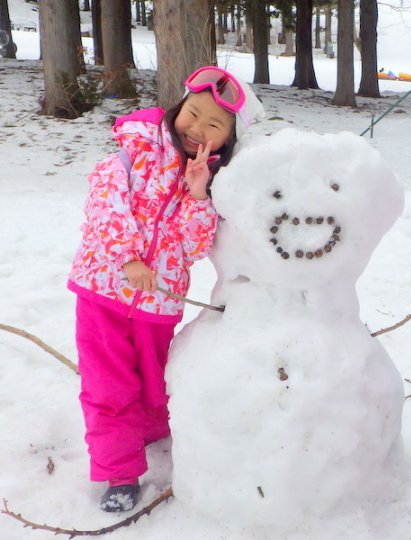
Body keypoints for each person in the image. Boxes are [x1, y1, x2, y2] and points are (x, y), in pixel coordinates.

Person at [67, 66, 264, 513]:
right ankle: (118, 470)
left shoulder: (209, 179)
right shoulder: (134, 149)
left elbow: (193, 247)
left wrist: (197, 194)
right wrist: (129, 258)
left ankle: (151, 432)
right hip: (104, 290)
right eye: (192, 114)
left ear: (229, 138)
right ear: (178, 107)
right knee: (108, 385)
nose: (196, 128)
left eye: (213, 125)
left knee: (155, 381)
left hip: (159, 304)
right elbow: (105, 203)